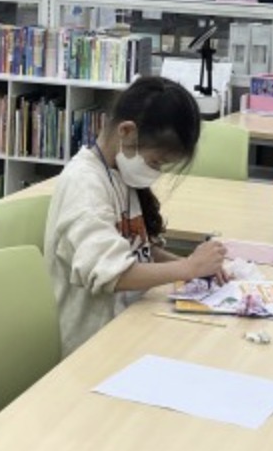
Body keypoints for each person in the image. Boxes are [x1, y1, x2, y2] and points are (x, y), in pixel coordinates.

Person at [45, 76, 227, 355]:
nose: (156, 172)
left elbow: (137, 250)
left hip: (129, 324)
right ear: (127, 132)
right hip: (91, 345)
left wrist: (192, 267)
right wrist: (189, 267)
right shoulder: (84, 185)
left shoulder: (120, 173)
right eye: (156, 162)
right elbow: (113, 274)